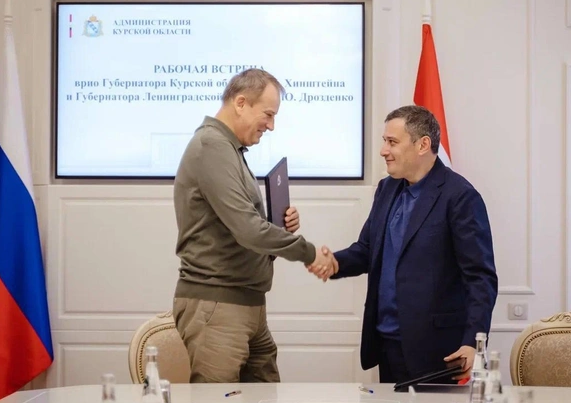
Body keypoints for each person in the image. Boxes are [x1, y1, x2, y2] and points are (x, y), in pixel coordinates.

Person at [173, 68, 335, 383]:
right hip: (218, 306)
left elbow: (240, 229)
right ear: (241, 103)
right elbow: (248, 231)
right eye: (268, 115)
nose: (271, 126)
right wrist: (309, 252)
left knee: (266, 400)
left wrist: (279, 226)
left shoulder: (229, 149)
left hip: (246, 302)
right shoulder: (211, 146)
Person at [317, 105, 497, 384]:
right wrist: (335, 263)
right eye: (384, 141)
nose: (383, 151)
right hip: (386, 342)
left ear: (422, 144)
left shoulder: (460, 196)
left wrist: (474, 343)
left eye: (392, 142)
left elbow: (480, 277)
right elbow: (368, 249)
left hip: (436, 350)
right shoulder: (387, 188)